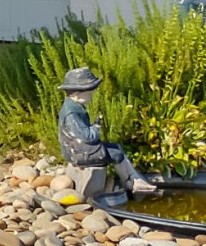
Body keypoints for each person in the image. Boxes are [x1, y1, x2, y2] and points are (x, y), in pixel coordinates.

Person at [56, 67, 156, 201]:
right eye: (89, 92)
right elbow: (88, 137)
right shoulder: (71, 113)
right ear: (77, 93)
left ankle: (134, 180)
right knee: (116, 153)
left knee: (116, 147)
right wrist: (96, 126)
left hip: (80, 148)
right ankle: (132, 182)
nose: (92, 95)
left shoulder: (74, 106)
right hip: (78, 152)